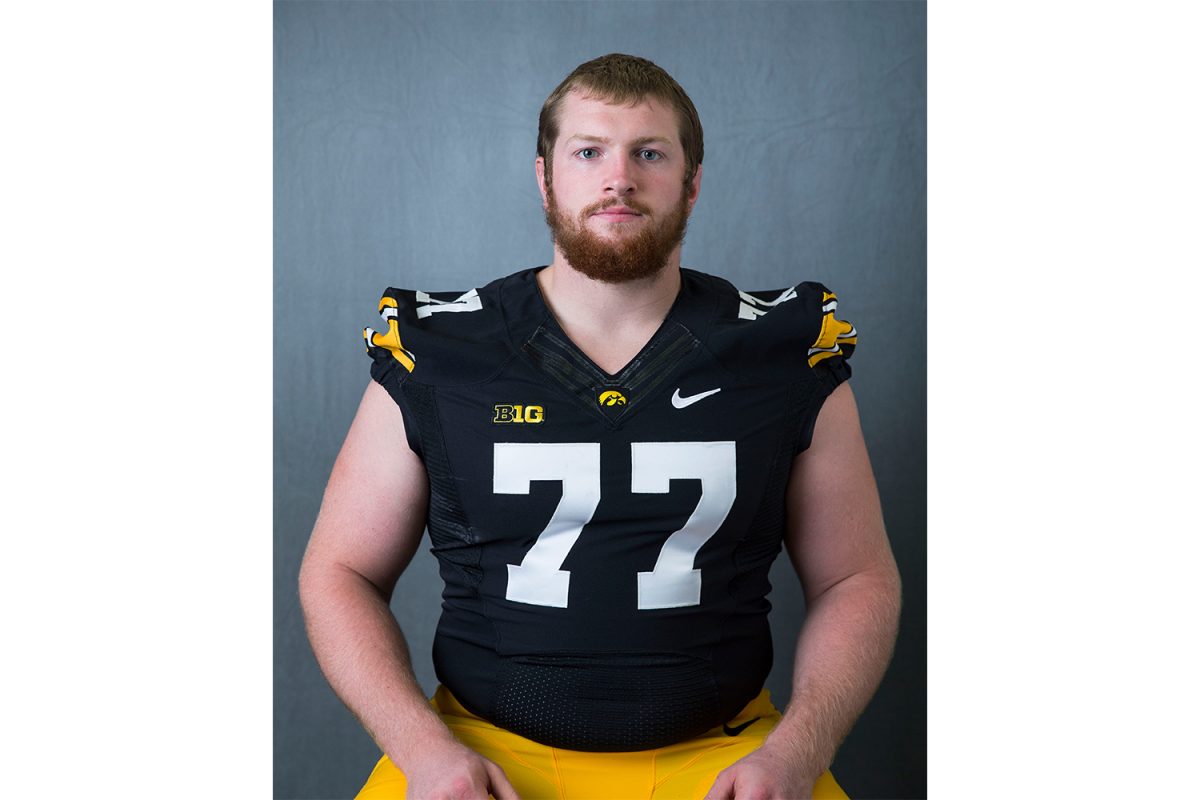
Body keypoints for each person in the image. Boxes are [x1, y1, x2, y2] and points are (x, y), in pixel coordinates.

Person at [299, 53, 901, 800]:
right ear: (545, 177)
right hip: (479, 751)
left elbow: (856, 577)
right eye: (589, 152)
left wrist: (797, 753)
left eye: (650, 153)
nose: (619, 178)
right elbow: (339, 571)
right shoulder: (443, 352)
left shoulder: (782, 349)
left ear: (693, 181)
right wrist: (422, 751)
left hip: (729, 755)